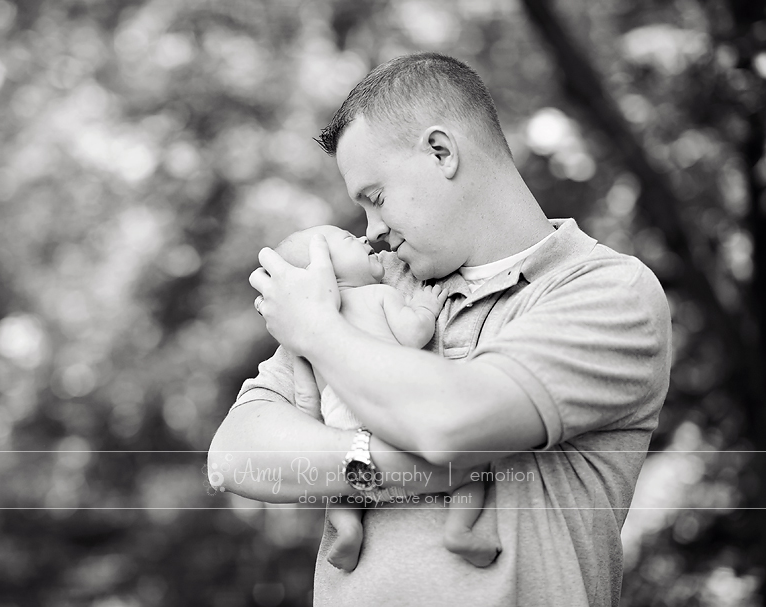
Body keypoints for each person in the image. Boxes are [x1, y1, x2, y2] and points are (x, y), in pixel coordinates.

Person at [208, 52, 671, 607]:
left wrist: (313, 328)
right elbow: (237, 455)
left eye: (375, 199)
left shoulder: (604, 290)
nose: (372, 231)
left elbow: (452, 423)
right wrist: (388, 467)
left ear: (440, 151)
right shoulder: (378, 288)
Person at [270, 224, 501, 572]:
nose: (364, 238)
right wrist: (424, 308)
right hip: (394, 419)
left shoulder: (300, 337)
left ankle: (347, 527)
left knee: (336, 488)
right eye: (349, 240)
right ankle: (459, 530)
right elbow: (413, 336)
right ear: (325, 269)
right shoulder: (377, 295)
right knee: (472, 472)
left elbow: (306, 399)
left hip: (349, 440)